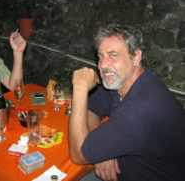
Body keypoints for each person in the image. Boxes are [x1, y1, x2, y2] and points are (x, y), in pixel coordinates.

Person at [68, 23, 185, 181]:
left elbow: (78, 155)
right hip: (124, 166)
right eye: (101, 56)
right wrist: (105, 151)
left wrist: (80, 88)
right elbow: (91, 109)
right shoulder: (125, 81)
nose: (102, 65)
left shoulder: (139, 110)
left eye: (113, 55)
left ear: (136, 57)